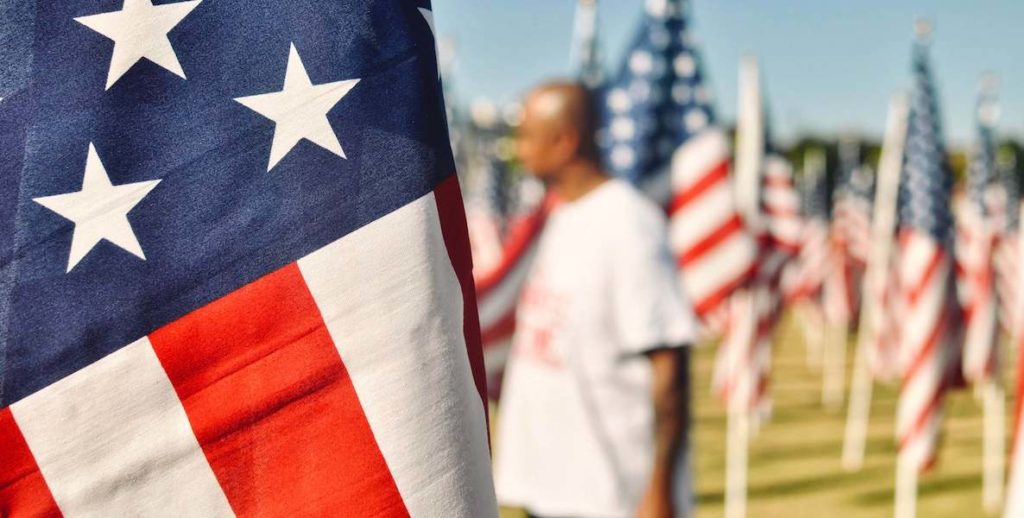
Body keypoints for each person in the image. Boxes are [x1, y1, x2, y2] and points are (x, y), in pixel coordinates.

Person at [493, 81, 698, 518]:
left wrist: (659, 488)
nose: (518, 146)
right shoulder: (558, 215)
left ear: (565, 141)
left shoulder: (627, 223)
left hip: (609, 496)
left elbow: (669, 368)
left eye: (527, 134)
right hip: (552, 487)